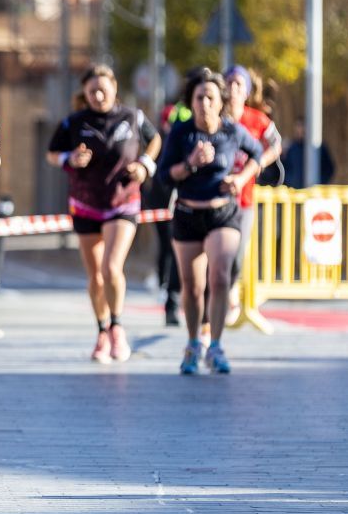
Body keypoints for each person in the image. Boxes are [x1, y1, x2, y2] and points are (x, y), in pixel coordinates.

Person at [157, 68, 263, 375]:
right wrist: (190, 164)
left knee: (220, 278)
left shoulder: (232, 131)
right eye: (199, 97)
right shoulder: (181, 132)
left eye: (210, 98)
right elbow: (165, 176)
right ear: (191, 101)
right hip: (188, 213)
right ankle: (193, 343)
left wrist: (241, 178)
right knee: (192, 287)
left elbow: (258, 153)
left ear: (221, 102)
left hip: (222, 213)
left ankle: (215, 346)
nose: (204, 103)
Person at [47, 65, 155, 363]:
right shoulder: (74, 122)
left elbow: (155, 139)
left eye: (102, 90)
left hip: (123, 200)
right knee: (95, 275)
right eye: (91, 91)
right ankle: (101, 331)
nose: (97, 95)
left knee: (111, 268)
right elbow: (52, 153)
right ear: (85, 93)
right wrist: (72, 158)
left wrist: (145, 165)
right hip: (86, 203)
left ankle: (118, 327)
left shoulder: (133, 117)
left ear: (114, 88)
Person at [222, 65, 282, 325]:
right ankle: (221, 299)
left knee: (236, 252)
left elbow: (276, 144)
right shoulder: (215, 117)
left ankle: (230, 294)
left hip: (243, 199)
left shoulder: (256, 120)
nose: (233, 89)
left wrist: (259, 164)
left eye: (239, 84)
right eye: (229, 83)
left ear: (247, 90)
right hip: (213, 198)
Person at [282, 117, 335, 188]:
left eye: (302, 127)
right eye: (298, 127)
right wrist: (289, 182)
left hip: (314, 192)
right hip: (294, 193)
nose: (299, 130)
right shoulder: (291, 148)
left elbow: (329, 169)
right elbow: (285, 169)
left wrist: (320, 183)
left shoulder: (318, 147)